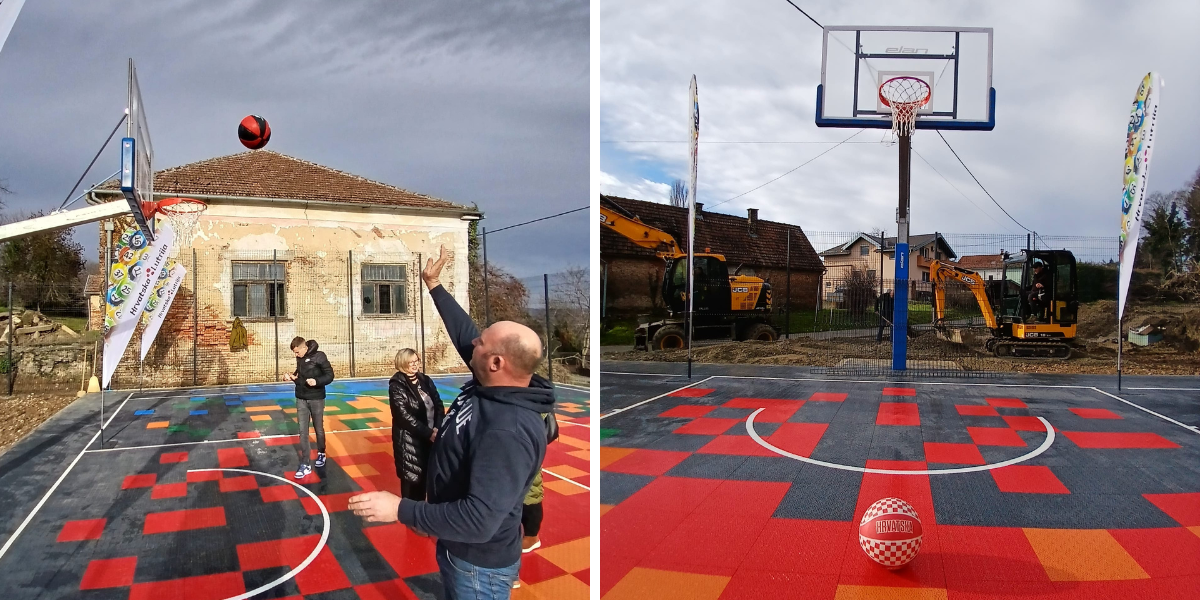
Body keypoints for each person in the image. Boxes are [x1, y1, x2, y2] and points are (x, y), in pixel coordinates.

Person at [348, 245, 555, 600]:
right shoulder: (497, 383)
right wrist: (434, 285)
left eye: (480, 343)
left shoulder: (508, 429)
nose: (471, 342)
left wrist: (401, 508)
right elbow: (465, 333)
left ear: (495, 363)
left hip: (479, 565)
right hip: (459, 549)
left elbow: (480, 519)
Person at [389, 348, 444, 504]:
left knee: (429, 477)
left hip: (431, 437)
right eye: (410, 362)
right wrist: (428, 433)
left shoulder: (425, 380)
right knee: (412, 479)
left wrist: (438, 427)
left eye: (416, 361)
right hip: (411, 441)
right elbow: (403, 416)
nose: (414, 365)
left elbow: (438, 404)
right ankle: (410, 516)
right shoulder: (397, 385)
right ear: (402, 363)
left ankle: (423, 513)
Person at [513, 411, 559, 589]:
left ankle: (532, 536)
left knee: (530, 492)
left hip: (526, 439)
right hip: (518, 436)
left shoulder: (533, 394)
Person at [283, 336, 334, 480]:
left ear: (304, 348)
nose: (296, 355)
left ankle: (321, 452)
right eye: (294, 353)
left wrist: (317, 381)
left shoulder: (320, 356)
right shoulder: (300, 358)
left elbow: (330, 375)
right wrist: (292, 377)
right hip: (301, 398)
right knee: (302, 431)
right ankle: (305, 464)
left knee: (318, 428)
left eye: (297, 352)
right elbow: (300, 376)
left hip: (316, 398)